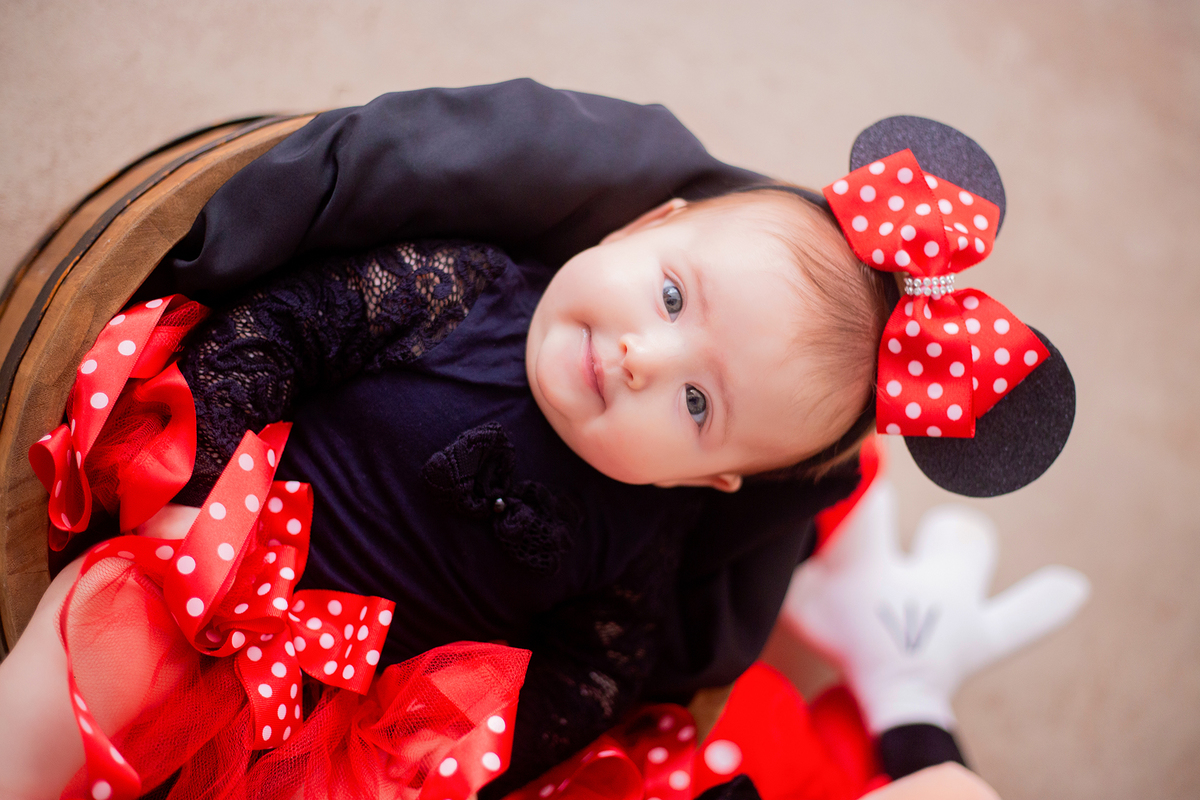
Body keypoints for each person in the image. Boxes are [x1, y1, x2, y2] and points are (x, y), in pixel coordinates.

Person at [0, 80, 1063, 800]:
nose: (646, 357)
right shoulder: (463, 289)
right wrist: (198, 484)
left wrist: (455, 748)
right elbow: (280, 329)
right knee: (86, 660)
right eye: (670, 293)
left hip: (334, 717)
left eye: (698, 405)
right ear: (639, 227)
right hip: (203, 557)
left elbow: (587, 682)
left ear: (716, 475)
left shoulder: (640, 542)